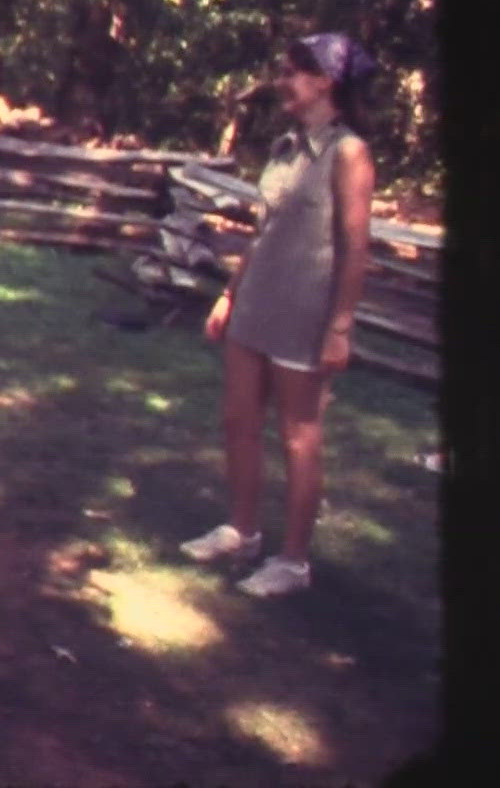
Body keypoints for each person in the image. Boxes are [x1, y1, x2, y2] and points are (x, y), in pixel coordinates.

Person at [180, 32, 378, 597]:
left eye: (294, 73)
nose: (283, 81)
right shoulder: (285, 146)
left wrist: (340, 327)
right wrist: (229, 294)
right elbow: (263, 234)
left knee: (299, 436)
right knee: (238, 421)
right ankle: (242, 532)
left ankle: (292, 562)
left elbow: (354, 247)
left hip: (307, 316)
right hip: (257, 303)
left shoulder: (349, 153)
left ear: (325, 83)